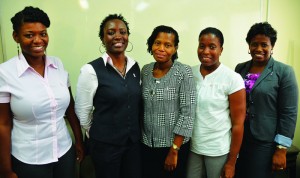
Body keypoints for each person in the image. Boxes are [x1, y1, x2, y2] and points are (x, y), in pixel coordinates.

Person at [0, 6, 84, 178]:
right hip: (29, 159)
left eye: (43, 33)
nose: (38, 40)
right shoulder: (5, 73)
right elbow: (3, 124)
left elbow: (70, 108)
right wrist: (6, 169)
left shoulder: (57, 64)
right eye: (29, 35)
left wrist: (79, 142)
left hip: (64, 151)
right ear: (16, 37)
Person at [75, 14, 142, 178]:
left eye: (123, 32)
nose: (118, 36)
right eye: (111, 32)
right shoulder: (90, 70)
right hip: (105, 147)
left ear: (127, 36)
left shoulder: (135, 66)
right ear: (103, 38)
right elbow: (82, 112)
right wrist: (99, 133)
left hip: (132, 144)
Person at [234, 22, 298, 178]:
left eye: (264, 44)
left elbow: (289, 113)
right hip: (239, 137)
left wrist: (281, 148)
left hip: (264, 141)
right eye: (254, 44)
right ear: (249, 46)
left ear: (272, 46)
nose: (259, 49)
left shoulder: (284, 72)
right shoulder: (240, 69)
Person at [186, 27, 246, 178]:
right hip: (193, 148)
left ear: (221, 49)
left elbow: (238, 124)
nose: (206, 51)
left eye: (212, 47)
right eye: (202, 46)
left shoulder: (232, 78)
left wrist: (231, 163)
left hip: (218, 150)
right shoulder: (188, 73)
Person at [141, 25, 196, 178]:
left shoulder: (183, 72)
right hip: (146, 145)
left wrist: (174, 150)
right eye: (157, 43)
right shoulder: (145, 71)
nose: (161, 48)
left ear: (175, 48)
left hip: (172, 148)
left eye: (168, 45)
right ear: (151, 45)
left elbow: (188, 113)